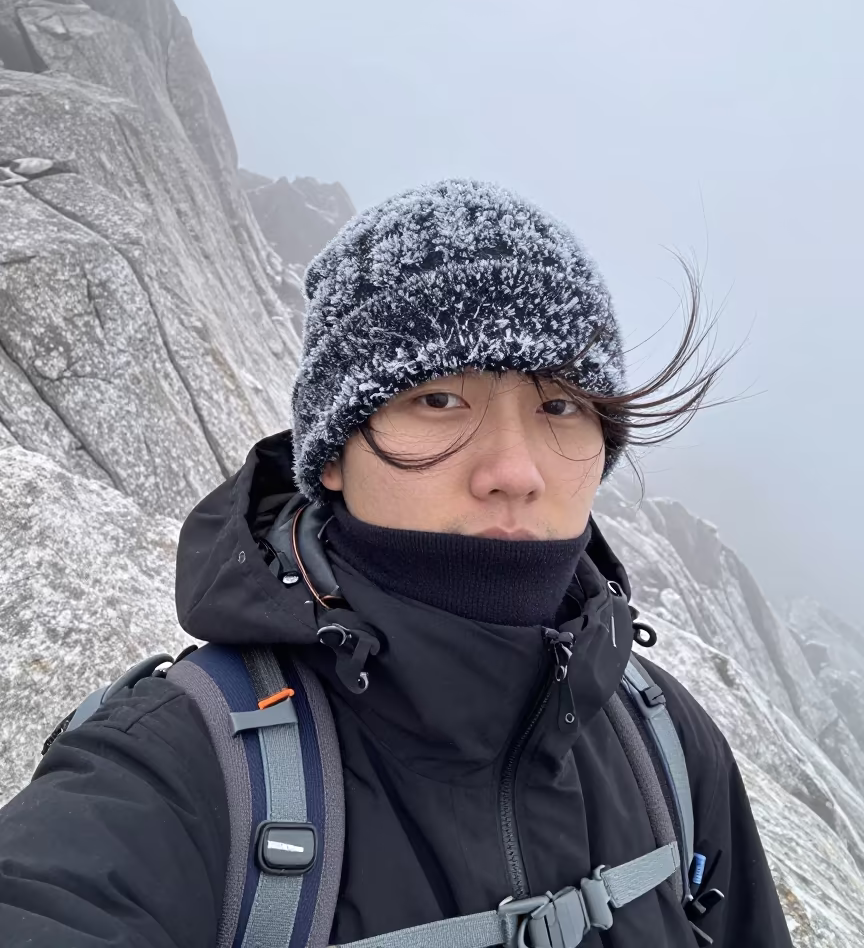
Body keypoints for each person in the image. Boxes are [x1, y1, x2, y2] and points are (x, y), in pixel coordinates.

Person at [0, 179, 791, 947]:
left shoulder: (667, 747)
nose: (515, 471)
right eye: (439, 399)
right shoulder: (180, 774)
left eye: (560, 405)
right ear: (331, 457)